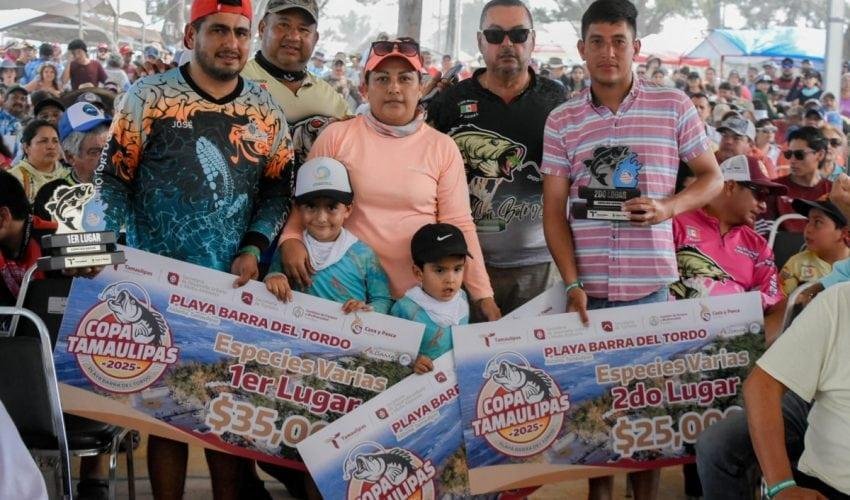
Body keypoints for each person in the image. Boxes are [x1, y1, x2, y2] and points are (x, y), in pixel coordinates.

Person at [95, 0, 294, 497]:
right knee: (166, 419)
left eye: (241, 33)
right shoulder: (148, 96)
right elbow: (113, 178)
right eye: (219, 31)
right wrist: (110, 249)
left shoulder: (266, 108)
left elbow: (278, 190)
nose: (232, 43)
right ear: (191, 36)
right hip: (156, 287)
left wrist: (254, 247)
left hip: (232, 287)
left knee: (223, 421)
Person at [540, 0, 722, 498]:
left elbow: (712, 178)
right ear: (581, 49)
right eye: (597, 42)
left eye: (618, 41)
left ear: (635, 47)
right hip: (588, 295)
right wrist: (572, 283)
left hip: (650, 292)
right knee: (595, 418)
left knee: (645, 418)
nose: (608, 52)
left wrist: (668, 207)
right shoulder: (562, 119)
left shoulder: (674, 106)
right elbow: (553, 211)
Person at [279, 37, 499, 321]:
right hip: (345, 296)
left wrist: (483, 295)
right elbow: (306, 198)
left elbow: (459, 223)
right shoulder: (337, 137)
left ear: (420, 87)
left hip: (417, 302)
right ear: (364, 88)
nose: (394, 88)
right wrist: (291, 239)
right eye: (382, 79)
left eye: (405, 78)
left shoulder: (442, 148)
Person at [428, 0, 565, 315]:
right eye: (494, 35)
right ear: (480, 41)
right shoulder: (451, 100)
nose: (507, 44)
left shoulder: (557, 99)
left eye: (518, 34)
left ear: (532, 40)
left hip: (541, 266)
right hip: (463, 265)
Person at [743, 282, 850, 499]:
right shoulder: (839, 301)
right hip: (831, 487)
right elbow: (762, 385)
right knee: (717, 446)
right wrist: (781, 485)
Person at [264, 156, 392, 315]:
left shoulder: (363, 254)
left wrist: (365, 310)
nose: (321, 218)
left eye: (331, 207)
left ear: (348, 209)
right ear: (298, 208)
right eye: (311, 206)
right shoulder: (290, 250)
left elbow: (382, 299)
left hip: (347, 330)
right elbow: (273, 274)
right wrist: (274, 279)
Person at [670, 154, 785, 312]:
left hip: (738, 325)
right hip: (676, 320)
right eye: (760, 194)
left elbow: (773, 300)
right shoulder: (676, 222)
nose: (764, 206)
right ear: (730, 187)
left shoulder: (758, 245)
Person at [241, 0, 348, 166]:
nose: (293, 37)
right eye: (283, 25)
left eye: (304, 29)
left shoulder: (332, 100)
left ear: (315, 39)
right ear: (262, 28)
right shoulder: (235, 81)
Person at [391, 223, 470, 374]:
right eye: (439, 270)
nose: (450, 280)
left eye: (457, 269)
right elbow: (390, 348)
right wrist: (412, 360)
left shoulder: (462, 298)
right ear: (418, 273)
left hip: (457, 377)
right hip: (423, 383)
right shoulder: (405, 309)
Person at [768, 126, 833, 232]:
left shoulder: (833, 192)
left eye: (799, 155)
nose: (792, 160)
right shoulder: (775, 189)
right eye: (789, 154)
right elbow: (765, 233)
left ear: (820, 155)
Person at [779, 197, 849, 295]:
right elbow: (781, 302)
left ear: (844, 233)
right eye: (808, 221)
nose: (808, 229)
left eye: (818, 222)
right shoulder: (796, 264)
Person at [8, 120, 69, 203]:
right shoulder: (14, 179)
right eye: (43, 141)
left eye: (55, 141)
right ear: (26, 147)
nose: (51, 146)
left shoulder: (69, 175)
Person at [58, 102, 111, 184]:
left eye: (108, 150)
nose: (107, 160)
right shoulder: (56, 190)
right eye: (95, 152)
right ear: (70, 157)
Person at [0, 86, 25, 160]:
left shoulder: (21, 123)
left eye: (22, 99)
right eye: (15, 98)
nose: (19, 102)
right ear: (5, 100)